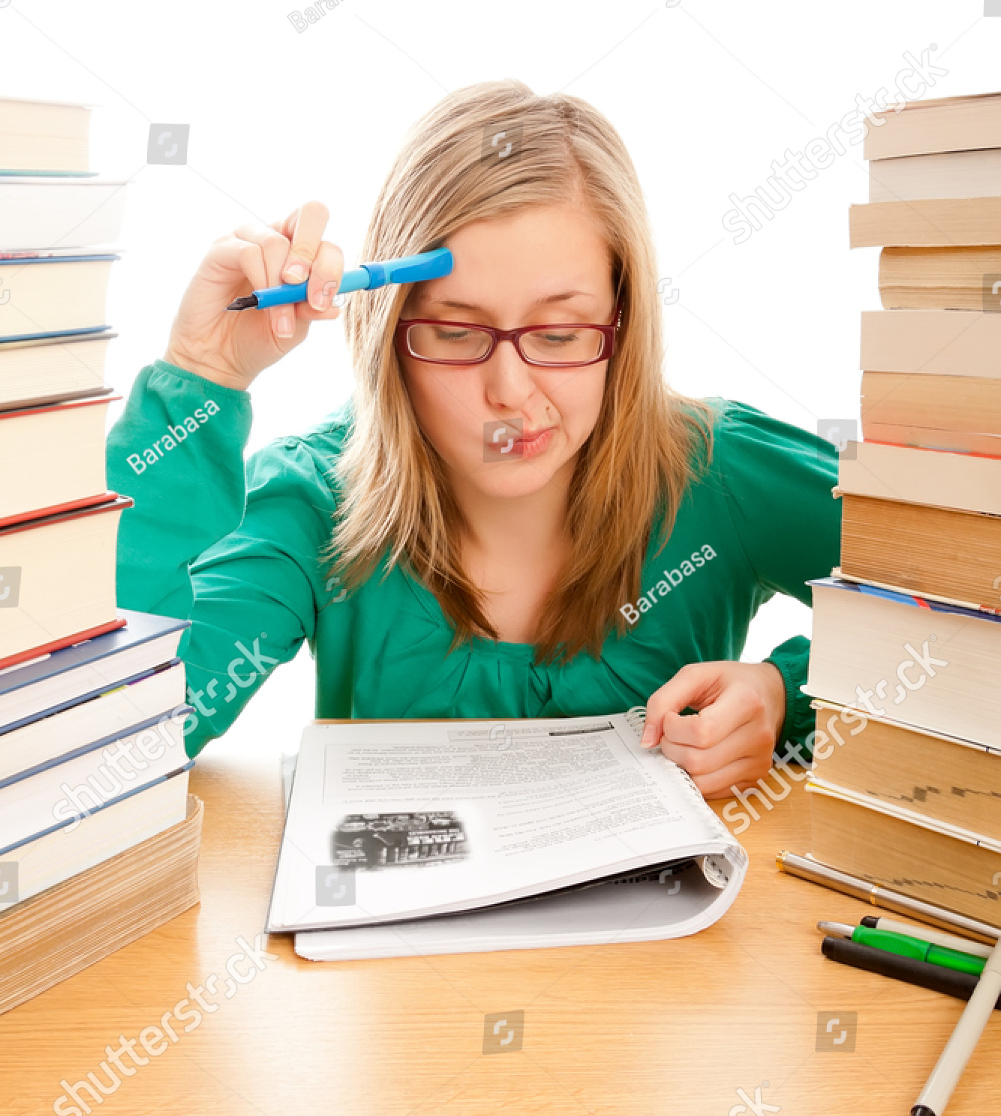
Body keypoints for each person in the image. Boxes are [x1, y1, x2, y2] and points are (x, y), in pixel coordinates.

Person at [107, 80, 840, 800]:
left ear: (625, 323)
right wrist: (201, 375)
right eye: (455, 333)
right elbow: (109, 745)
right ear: (389, 333)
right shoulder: (311, 499)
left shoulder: (722, 472)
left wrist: (785, 694)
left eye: (558, 333)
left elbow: (944, 617)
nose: (510, 392)